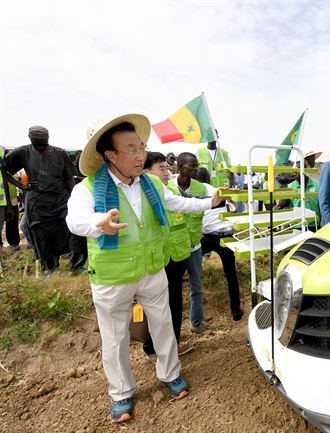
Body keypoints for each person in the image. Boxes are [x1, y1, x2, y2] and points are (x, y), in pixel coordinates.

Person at [65, 114, 222, 423]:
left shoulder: (150, 182)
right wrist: (99, 223)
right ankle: (121, 392)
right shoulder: (88, 188)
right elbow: (74, 219)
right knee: (114, 337)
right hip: (113, 276)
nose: (141, 156)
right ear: (110, 155)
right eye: (132, 149)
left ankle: (170, 373)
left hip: (152, 268)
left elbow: (176, 204)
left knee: (163, 323)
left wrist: (208, 204)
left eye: (142, 147)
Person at [2, 126, 75, 275]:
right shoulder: (23, 152)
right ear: (29, 138)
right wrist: (22, 185)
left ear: (48, 139)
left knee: (63, 233)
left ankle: (68, 265)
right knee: (42, 237)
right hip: (37, 204)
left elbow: (69, 179)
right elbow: (4, 170)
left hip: (60, 201)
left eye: (44, 144)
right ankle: (49, 269)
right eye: (38, 145)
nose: (41, 148)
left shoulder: (60, 153)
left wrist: (74, 199)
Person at [142, 152, 193, 359]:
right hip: (157, 258)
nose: (167, 171)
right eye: (161, 168)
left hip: (176, 255)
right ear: (147, 172)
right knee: (157, 307)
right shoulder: (144, 193)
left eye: (166, 167)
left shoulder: (170, 189)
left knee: (174, 304)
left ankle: (172, 344)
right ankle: (154, 347)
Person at [194, 167, 244, 321]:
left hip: (207, 237)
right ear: (208, 179)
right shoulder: (218, 192)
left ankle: (196, 298)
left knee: (192, 267)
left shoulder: (196, 194)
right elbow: (235, 209)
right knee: (231, 275)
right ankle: (236, 311)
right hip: (226, 235)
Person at [171, 152, 211, 335]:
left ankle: (196, 323)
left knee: (196, 287)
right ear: (179, 166)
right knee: (173, 291)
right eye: (191, 166)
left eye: (196, 165)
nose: (195, 169)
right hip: (174, 247)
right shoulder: (168, 187)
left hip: (194, 245)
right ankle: (173, 332)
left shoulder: (201, 188)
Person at [68, 149, 88, 273]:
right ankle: (76, 265)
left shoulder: (89, 170)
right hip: (74, 205)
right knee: (77, 237)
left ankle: (80, 263)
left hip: (88, 205)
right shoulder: (71, 169)